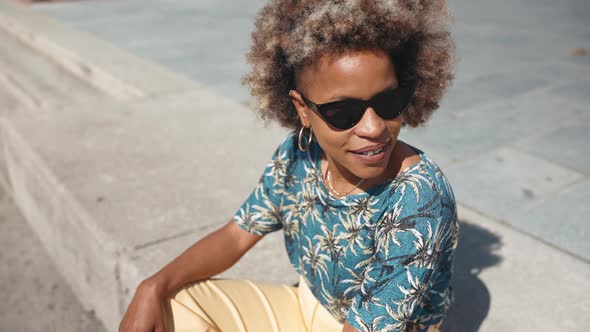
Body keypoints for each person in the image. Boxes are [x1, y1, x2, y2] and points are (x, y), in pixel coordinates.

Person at [119, 0, 457, 331]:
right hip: (308, 306)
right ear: (303, 110)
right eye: (343, 113)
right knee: (172, 306)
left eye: (388, 102)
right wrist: (153, 285)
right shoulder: (299, 154)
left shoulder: (418, 197)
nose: (373, 128)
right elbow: (237, 235)